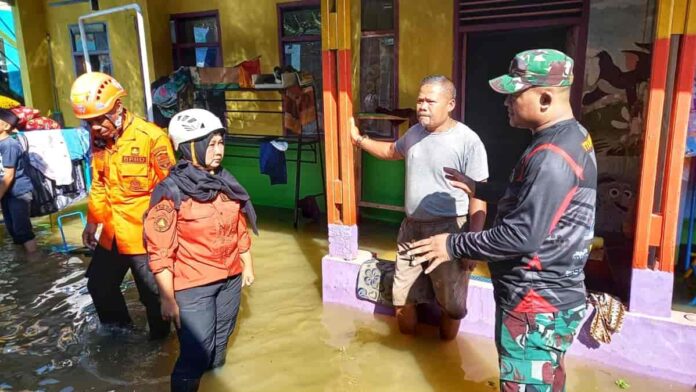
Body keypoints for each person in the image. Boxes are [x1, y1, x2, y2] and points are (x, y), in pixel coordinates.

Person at [408, 49, 597, 391]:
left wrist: (452, 243)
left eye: (514, 94)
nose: (506, 102)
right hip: (547, 299)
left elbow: (521, 236)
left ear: (543, 97)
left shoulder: (552, 157)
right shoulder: (570, 137)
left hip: (535, 304)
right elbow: (534, 196)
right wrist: (479, 187)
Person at [350, 75, 489, 340]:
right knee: (402, 300)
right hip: (411, 229)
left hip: (450, 230)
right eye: (419, 100)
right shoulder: (414, 133)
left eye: (430, 101)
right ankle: (406, 356)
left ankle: (445, 356)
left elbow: (478, 198)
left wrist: (473, 244)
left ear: (450, 104)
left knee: (452, 307)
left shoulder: (468, 141)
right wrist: (359, 140)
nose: (422, 106)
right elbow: (392, 150)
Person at [144, 108, 257, 392]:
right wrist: (167, 299)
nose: (218, 150)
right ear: (189, 147)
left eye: (221, 142)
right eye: (211, 143)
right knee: (196, 354)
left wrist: (247, 265)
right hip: (193, 285)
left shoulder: (224, 182)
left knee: (219, 347)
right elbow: (160, 251)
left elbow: (238, 227)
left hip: (230, 278)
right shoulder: (171, 192)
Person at [69, 71, 176, 339]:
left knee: (154, 297)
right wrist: (92, 221)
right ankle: (120, 336)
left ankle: (161, 348)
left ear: (117, 107)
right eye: (87, 122)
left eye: (97, 120)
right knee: (99, 285)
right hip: (113, 232)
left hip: (145, 236)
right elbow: (100, 182)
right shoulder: (100, 139)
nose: (93, 128)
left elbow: (172, 191)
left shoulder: (151, 138)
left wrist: (169, 239)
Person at [0, 109, 37, 253]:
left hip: (18, 193)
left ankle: (35, 262)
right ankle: (24, 262)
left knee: (22, 230)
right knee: (13, 229)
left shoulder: (9, 145)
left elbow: (8, 176)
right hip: (7, 194)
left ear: (6, 127)